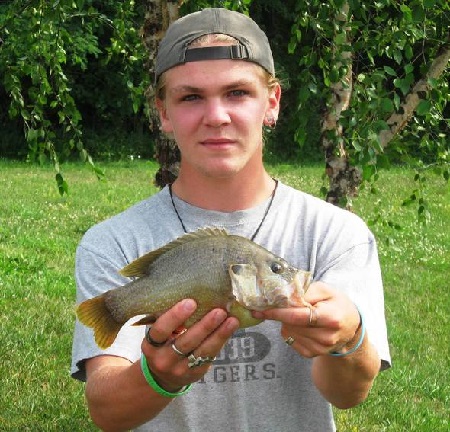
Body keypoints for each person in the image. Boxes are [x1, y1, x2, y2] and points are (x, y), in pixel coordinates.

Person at [71, 8, 391, 432]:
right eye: (190, 97)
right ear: (163, 113)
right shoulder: (111, 243)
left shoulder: (336, 235)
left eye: (237, 93)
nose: (217, 116)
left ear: (271, 103)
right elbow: (107, 412)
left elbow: (349, 394)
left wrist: (347, 340)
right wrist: (158, 377)